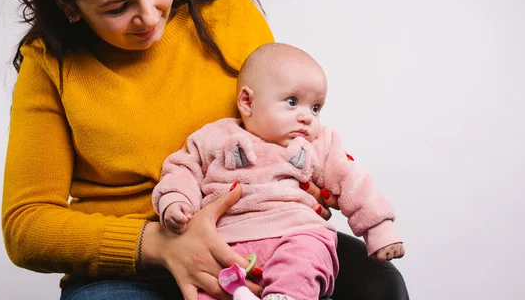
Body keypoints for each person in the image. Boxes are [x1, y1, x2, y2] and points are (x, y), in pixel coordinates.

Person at [1, 0, 410, 299]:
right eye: (118, 7)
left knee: (380, 285)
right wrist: (157, 244)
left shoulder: (230, 15)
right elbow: (26, 225)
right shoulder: (49, 66)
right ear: (69, 4)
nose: (148, 16)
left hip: (258, 228)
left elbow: (282, 124)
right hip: (132, 267)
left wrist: (309, 182)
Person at [153, 43, 405, 300]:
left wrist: (379, 229)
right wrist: (176, 201)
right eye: (293, 102)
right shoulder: (216, 136)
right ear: (247, 102)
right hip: (226, 243)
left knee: (307, 255)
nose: (307, 117)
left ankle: (287, 295)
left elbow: (353, 180)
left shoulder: (318, 145)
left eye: (315, 107)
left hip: (297, 231)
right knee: (205, 287)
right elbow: (183, 168)